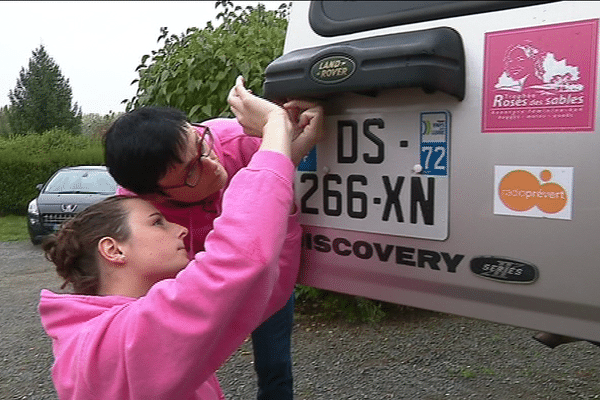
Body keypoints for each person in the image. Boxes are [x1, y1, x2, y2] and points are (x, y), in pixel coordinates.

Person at [38, 78, 308, 399]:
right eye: (158, 222)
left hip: (236, 280)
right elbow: (241, 261)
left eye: (201, 141)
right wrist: (274, 123)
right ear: (156, 197)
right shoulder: (128, 344)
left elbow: (264, 290)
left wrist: (284, 154)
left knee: (274, 364)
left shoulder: (122, 336)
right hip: (227, 278)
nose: (212, 162)